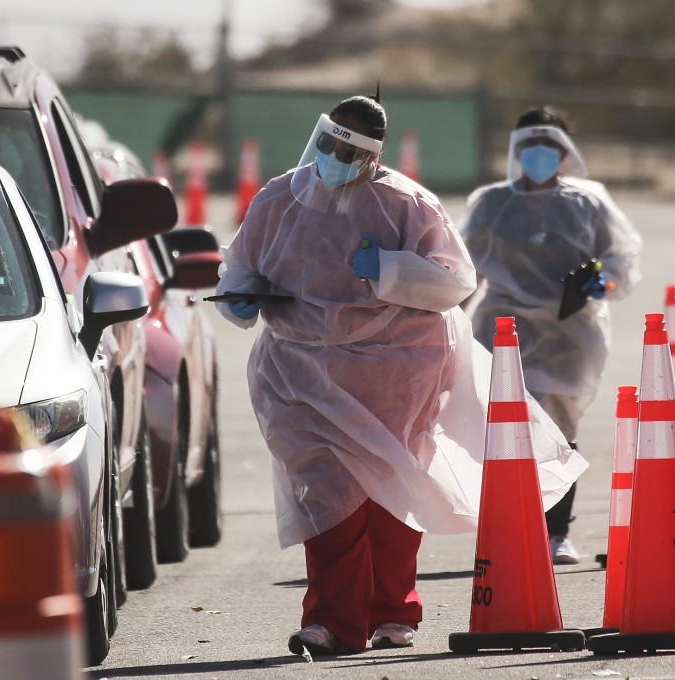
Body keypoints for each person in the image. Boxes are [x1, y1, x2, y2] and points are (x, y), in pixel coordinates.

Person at [214, 94, 586, 656]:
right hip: (299, 373)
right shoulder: (277, 198)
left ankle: (392, 611)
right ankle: (331, 622)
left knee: (391, 491)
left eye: (350, 149)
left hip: (396, 367)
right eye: (329, 141)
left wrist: (391, 271)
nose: (335, 155)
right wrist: (236, 297)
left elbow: (456, 282)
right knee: (328, 493)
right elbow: (241, 263)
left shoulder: (405, 202)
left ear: (373, 155)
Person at [458, 106, 643, 565]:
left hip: (570, 335)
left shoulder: (589, 202)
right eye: (529, 145)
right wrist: (446, 318)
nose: (539, 155)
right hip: (503, 332)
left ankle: (556, 532)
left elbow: (621, 260)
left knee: (559, 432)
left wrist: (606, 281)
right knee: (506, 433)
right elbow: (465, 269)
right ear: (515, 151)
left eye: (550, 146)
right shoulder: (491, 203)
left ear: (566, 153)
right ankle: (512, 529)